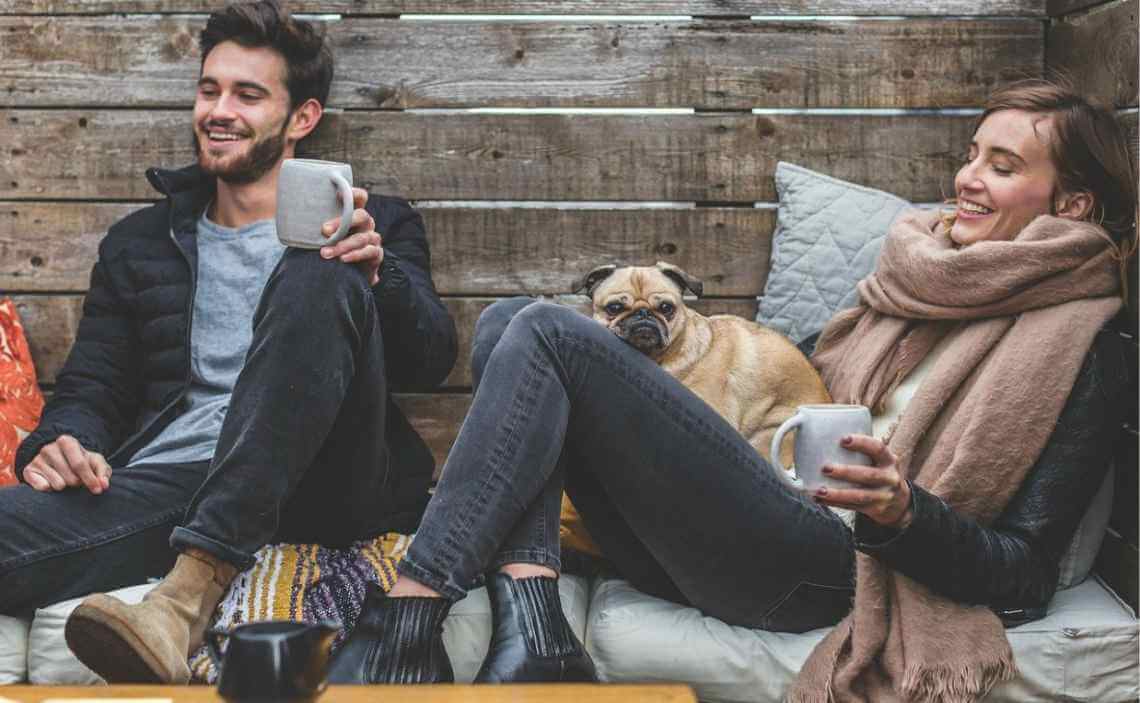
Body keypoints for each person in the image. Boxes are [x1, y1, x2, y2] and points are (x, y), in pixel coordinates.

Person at [325, 78, 1134, 701]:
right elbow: (811, 384)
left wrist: (904, 513)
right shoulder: (923, 279)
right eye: (971, 154)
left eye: (1003, 165)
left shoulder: (1078, 341)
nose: (967, 179)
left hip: (833, 565)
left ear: (1071, 203)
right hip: (754, 521)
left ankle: (406, 615)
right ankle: (535, 620)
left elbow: (1025, 573)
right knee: (508, 321)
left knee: (542, 329)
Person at [0, 0, 456, 685]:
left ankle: (188, 592)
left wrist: (377, 271)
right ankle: (202, 555)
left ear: (301, 117)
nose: (219, 110)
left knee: (318, 260)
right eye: (209, 89)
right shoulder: (139, 246)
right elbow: (93, 390)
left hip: (323, 481)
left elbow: (432, 356)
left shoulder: (375, 220)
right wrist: (57, 443)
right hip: (175, 489)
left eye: (248, 94)